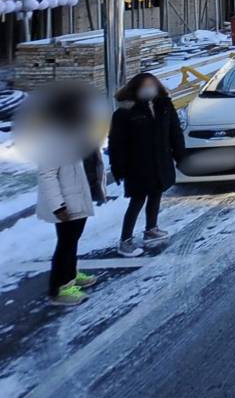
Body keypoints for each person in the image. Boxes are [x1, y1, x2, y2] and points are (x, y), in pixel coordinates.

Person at [27, 83, 108, 307]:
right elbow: (47, 173)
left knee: (72, 239)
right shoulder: (54, 135)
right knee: (66, 242)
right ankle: (59, 289)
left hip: (79, 193)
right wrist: (58, 206)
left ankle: (71, 273)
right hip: (65, 199)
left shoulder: (79, 129)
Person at [107, 72, 185, 258]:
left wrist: (180, 155)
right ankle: (125, 240)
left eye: (152, 84)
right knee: (138, 200)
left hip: (160, 160)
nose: (149, 89)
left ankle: (151, 228)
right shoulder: (125, 112)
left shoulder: (164, 105)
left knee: (156, 193)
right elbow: (116, 142)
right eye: (145, 86)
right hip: (137, 165)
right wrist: (118, 167)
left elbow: (175, 131)